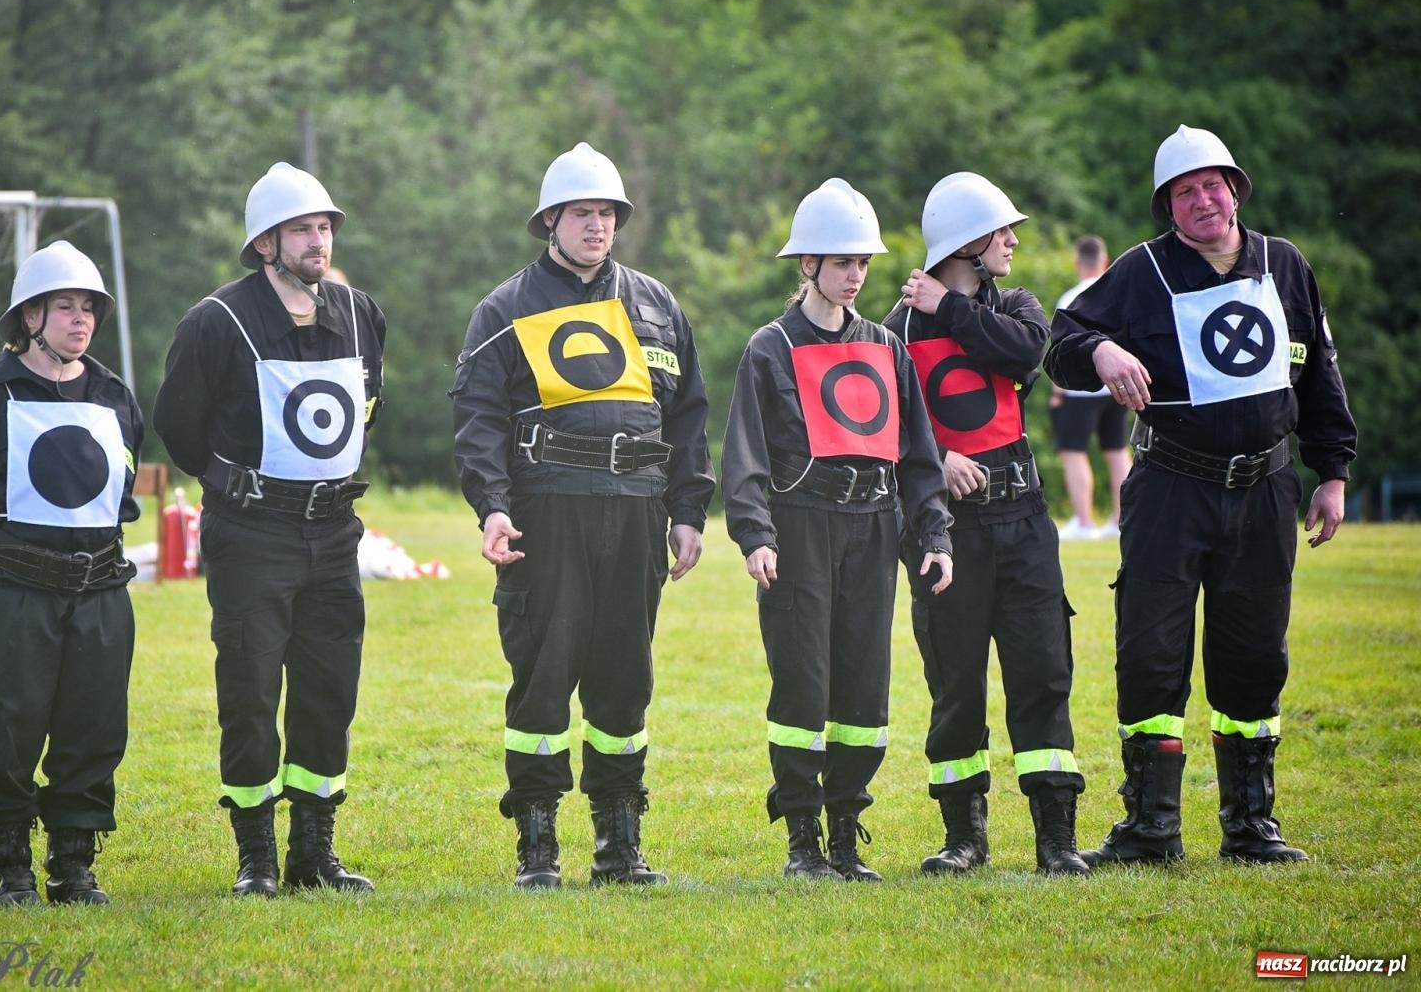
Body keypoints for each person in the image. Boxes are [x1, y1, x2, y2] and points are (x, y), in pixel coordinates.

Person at [1045, 125, 1356, 866]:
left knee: (1253, 655)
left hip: (1265, 491)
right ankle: (1151, 828)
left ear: (1235, 189)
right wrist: (1102, 348)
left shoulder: (1285, 265)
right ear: (1169, 207)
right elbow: (1060, 340)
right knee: (1151, 653)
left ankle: (1251, 828)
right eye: (1185, 192)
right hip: (1170, 489)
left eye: (1212, 185)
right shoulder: (1140, 271)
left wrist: (1334, 470)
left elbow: (1318, 371)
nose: (1202, 200)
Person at [451, 142, 714, 888]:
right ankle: (537, 850)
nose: (596, 226)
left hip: (635, 517)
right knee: (542, 681)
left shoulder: (658, 307)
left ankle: (619, 848)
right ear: (550, 222)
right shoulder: (504, 310)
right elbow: (476, 420)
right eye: (582, 214)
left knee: (624, 680)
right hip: (547, 515)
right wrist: (492, 509)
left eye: (607, 214)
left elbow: (689, 417)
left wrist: (688, 509)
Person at [154, 162, 386, 896]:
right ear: (265, 244)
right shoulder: (216, 321)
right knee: (250, 690)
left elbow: (367, 401)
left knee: (328, 689)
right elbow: (179, 427)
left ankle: (313, 853)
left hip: (334, 532)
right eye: (301, 230)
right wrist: (236, 485)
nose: (317, 241)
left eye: (324, 228)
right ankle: (255, 856)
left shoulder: (360, 312)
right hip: (251, 533)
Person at [722, 179, 952, 881]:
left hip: (874, 529)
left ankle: (846, 834)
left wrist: (935, 536)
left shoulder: (886, 345)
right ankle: (802, 842)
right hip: (801, 528)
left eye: (863, 263)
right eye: (842, 261)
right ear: (808, 265)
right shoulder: (770, 347)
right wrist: (756, 534)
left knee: (863, 689)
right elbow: (745, 453)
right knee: (803, 685)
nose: (855, 275)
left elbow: (919, 456)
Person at [884, 172, 1089, 877]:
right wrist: (936, 459)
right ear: (967, 243)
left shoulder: (1020, 306)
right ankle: (963, 839)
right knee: (956, 686)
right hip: (948, 533)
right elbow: (881, 426)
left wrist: (951, 307)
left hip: (1025, 521)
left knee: (1043, 673)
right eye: (1001, 231)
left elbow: (1024, 354)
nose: (1014, 241)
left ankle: (1056, 840)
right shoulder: (896, 329)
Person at [0, 240, 142, 905]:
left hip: (101, 592)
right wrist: (0, 572)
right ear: (29, 317)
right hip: (14, 593)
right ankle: (9, 867)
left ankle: (73, 866)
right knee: (1, 724)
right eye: (63, 308)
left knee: (93, 726)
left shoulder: (113, 395)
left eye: (88, 309)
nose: (79, 321)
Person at [1048, 236, 1131, 539]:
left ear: (1077, 263)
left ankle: (1084, 521)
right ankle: (1120, 519)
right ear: (1105, 261)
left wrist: (1057, 393)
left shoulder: (1071, 298)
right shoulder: (1118, 295)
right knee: (1118, 450)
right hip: (1117, 388)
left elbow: (1060, 351)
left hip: (1080, 391)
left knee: (1073, 452)